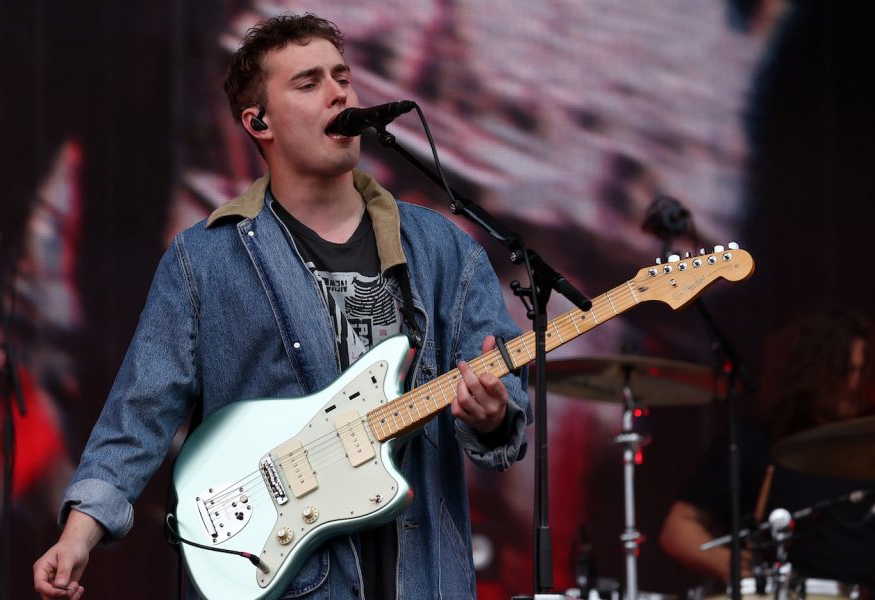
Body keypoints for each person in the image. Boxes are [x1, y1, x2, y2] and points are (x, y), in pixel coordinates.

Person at [32, 13, 530, 600]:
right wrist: (78, 534)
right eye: (308, 82)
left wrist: (492, 416)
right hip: (287, 582)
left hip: (422, 577)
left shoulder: (445, 251)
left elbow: (506, 426)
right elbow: (139, 411)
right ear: (258, 121)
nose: (339, 92)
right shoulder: (205, 259)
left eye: (342, 76)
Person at [659, 308, 875, 593]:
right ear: (811, 371)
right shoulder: (757, 442)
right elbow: (679, 527)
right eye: (844, 372)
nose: (855, 384)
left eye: (863, 371)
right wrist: (729, 564)